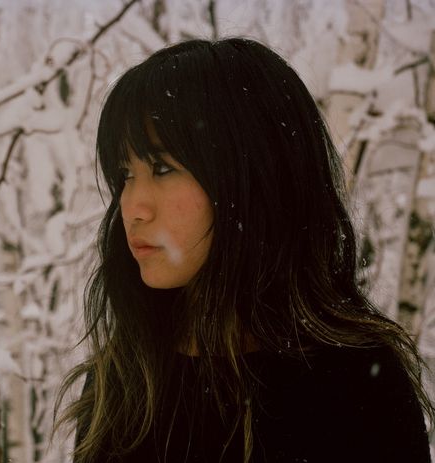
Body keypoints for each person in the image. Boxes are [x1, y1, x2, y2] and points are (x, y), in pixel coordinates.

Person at [53, 37, 435, 462]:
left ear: (250, 179)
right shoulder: (125, 381)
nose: (133, 207)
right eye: (126, 174)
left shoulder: (357, 385)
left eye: (162, 168)